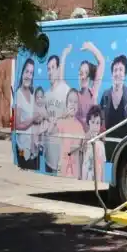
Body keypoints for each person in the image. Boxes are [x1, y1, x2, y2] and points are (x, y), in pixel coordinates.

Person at [99, 54, 127, 161]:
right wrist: (100, 132)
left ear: (125, 74)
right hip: (108, 142)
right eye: (115, 70)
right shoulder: (105, 95)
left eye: (121, 70)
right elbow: (100, 118)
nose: (117, 73)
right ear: (112, 74)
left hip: (124, 142)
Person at [44, 45, 72, 174]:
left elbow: (71, 114)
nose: (50, 72)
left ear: (58, 69)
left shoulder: (65, 89)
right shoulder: (46, 94)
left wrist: (64, 55)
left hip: (61, 154)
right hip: (47, 154)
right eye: (48, 69)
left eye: (53, 68)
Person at [13, 58, 41, 170]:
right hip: (23, 150)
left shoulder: (33, 92)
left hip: (34, 149)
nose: (28, 76)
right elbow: (17, 124)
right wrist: (33, 118)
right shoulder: (18, 95)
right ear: (22, 73)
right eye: (26, 71)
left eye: (31, 73)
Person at [75, 41, 105, 131]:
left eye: (86, 73)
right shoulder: (74, 96)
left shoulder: (93, 93)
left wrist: (92, 48)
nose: (83, 76)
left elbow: (102, 63)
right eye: (80, 73)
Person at [55, 87, 84, 179]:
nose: (73, 104)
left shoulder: (80, 126)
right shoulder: (61, 122)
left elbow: (81, 151)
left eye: (76, 102)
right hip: (62, 167)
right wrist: (61, 116)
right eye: (70, 101)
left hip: (75, 171)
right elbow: (51, 131)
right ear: (66, 104)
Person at [80, 105, 106, 182]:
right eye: (93, 122)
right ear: (89, 122)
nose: (95, 126)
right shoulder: (85, 141)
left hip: (97, 179)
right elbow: (81, 160)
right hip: (86, 177)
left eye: (98, 123)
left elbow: (102, 165)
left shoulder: (101, 144)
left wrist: (103, 180)